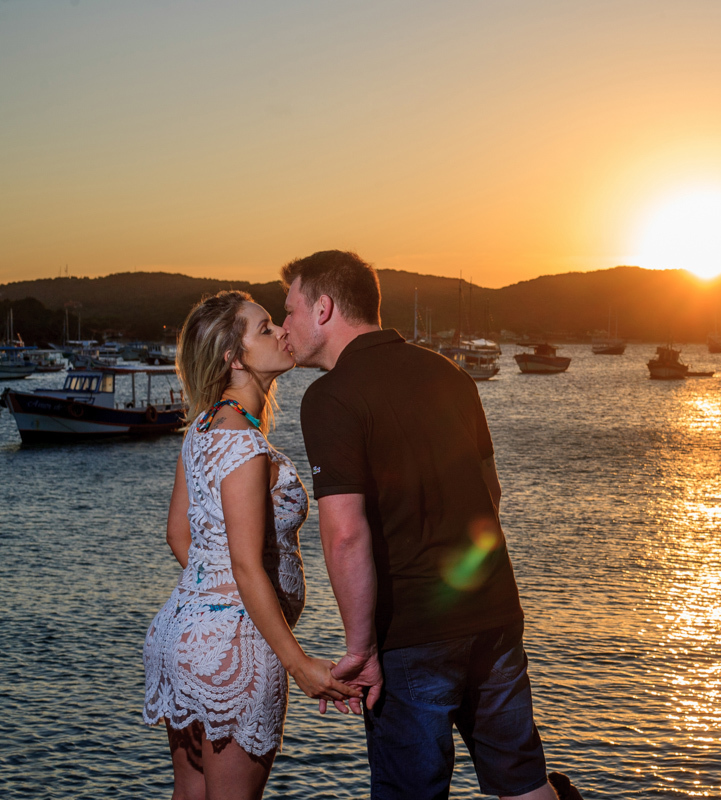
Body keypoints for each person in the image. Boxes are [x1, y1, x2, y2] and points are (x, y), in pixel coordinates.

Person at [281, 250, 577, 800]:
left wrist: (361, 649)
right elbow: (492, 495)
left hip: (410, 635)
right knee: (523, 782)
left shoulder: (331, 397)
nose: (284, 326)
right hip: (493, 614)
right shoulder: (451, 374)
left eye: (290, 309)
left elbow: (345, 534)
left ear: (323, 309)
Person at [143, 290, 361, 800]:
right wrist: (299, 663)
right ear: (234, 357)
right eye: (264, 328)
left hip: (183, 634)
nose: (282, 332)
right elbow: (244, 564)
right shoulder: (242, 444)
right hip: (233, 651)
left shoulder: (201, 430)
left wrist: (209, 599)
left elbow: (180, 535)